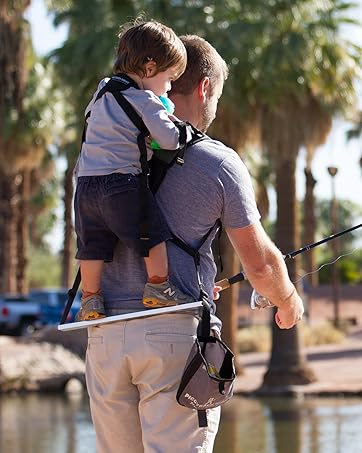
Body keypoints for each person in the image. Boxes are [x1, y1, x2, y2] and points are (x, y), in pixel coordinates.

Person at [85, 34, 304, 453]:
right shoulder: (216, 161)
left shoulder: (105, 148)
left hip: (104, 333)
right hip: (173, 335)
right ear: (204, 87)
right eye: (216, 96)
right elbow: (259, 263)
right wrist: (289, 299)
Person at [74, 20, 194, 322]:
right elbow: (167, 139)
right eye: (169, 80)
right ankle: (158, 286)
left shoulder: (102, 91)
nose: (169, 88)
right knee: (153, 233)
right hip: (121, 185)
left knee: (92, 246)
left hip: (86, 186)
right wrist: (178, 127)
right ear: (150, 68)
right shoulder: (145, 99)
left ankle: (90, 299)